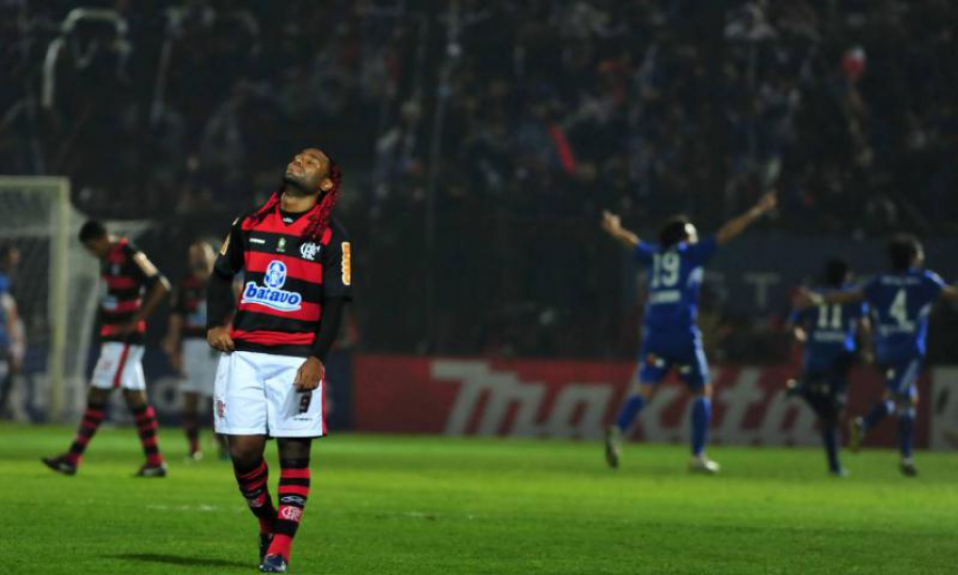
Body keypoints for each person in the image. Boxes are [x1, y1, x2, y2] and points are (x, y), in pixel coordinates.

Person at [207, 147, 351, 573]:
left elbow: (336, 303)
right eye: (297, 157)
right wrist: (216, 324)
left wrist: (316, 358)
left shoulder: (331, 237)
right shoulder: (248, 223)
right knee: (243, 452)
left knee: (293, 454)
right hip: (245, 355)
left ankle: (280, 549)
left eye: (312, 161)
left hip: (295, 359)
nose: (300, 161)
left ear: (326, 184)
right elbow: (220, 274)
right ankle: (268, 522)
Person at [601, 192, 777, 473]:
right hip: (682, 334)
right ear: (683, 237)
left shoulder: (655, 256)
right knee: (701, 390)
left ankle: (619, 429)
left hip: (654, 335)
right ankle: (697, 456)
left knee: (645, 390)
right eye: (692, 234)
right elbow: (727, 232)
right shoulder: (690, 253)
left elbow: (633, 243)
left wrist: (614, 229)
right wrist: (756, 210)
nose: (696, 238)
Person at [797, 234, 958, 476]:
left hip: (884, 351)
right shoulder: (925, 280)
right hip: (910, 351)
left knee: (908, 399)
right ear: (913, 257)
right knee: (894, 395)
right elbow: (951, 295)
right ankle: (865, 424)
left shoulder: (880, 281)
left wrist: (818, 299)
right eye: (920, 253)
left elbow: (850, 296)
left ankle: (906, 456)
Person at [42, 221, 171, 477]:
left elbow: (161, 285)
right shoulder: (109, 257)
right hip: (115, 338)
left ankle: (72, 458)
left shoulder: (129, 253)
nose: (92, 252)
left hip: (124, 339)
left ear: (101, 239)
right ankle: (155, 461)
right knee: (136, 399)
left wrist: (135, 321)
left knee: (97, 395)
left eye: (92, 247)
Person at [786, 258, 870, 476]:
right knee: (833, 413)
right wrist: (867, 350)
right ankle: (834, 466)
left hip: (814, 358)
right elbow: (863, 326)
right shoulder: (852, 297)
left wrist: (803, 338)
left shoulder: (811, 297)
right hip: (840, 358)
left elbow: (793, 327)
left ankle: (803, 389)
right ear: (846, 276)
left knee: (828, 414)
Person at [164, 241, 228, 460]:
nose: (199, 259)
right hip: (191, 344)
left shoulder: (223, 281)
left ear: (212, 256)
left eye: (202, 254)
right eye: (195, 255)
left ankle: (223, 444)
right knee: (190, 395)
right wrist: (174, 348)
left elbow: (236, 314)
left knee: (219, 397)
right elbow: (176, 318)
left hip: (216, 345)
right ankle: (193, 448)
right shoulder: (184, 286)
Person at [0, 246, 25, 420]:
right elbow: (7, 308)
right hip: (5, 333)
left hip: (7, 333)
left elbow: (9, 308)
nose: (15, 262)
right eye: (11, 258)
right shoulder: (3, 282)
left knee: (10, 368)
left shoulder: (8, 281)